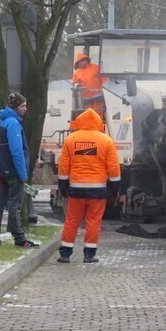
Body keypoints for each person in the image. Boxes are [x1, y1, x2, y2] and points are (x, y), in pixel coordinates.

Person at [56, 107, 121, 264]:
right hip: (97, 190)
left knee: (71, 221)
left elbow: (63, 166)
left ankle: (65, 254)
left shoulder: (71, 139)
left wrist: (63, 186)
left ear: (80, 121)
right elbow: (113, 168)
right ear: (99, 123)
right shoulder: (106, 140)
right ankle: (89, 255)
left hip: (76, 188)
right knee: (93, 222)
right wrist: (115, 189)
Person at [0, 92, 40, 248]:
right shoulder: (13, 124)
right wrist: (23, 174)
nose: (25, 109)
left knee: (0, 203)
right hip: (13, 171)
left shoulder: (3, 122)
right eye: (23, 106)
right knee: (15, 206)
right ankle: (19, 238)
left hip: (2, 168)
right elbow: (17, 151)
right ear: (16, 107)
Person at [72, 52, 107, 116]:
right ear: (78, 63)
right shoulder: (76, 72)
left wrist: (106, 87)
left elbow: (103, 78)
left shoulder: (95, 67)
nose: (83, 62)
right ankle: (90, 125)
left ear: (87, 60)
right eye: (81, 61)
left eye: (84, 60)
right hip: (86, 96)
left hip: (98, 94)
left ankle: (98, 125)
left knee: (98, 112)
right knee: (88, 113)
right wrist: (76, 84)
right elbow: (75, 81)